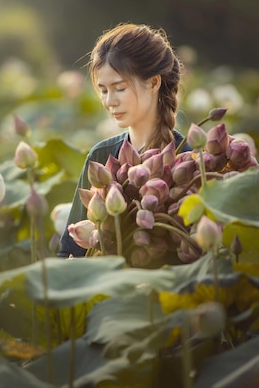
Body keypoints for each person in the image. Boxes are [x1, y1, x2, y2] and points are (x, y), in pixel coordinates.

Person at [58, 23, 192, 258]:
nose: (110, 101)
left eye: (119, 88)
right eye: (103, 90)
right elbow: (68, 253)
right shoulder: (101, 157)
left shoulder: (191, 160)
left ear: (153, 82)